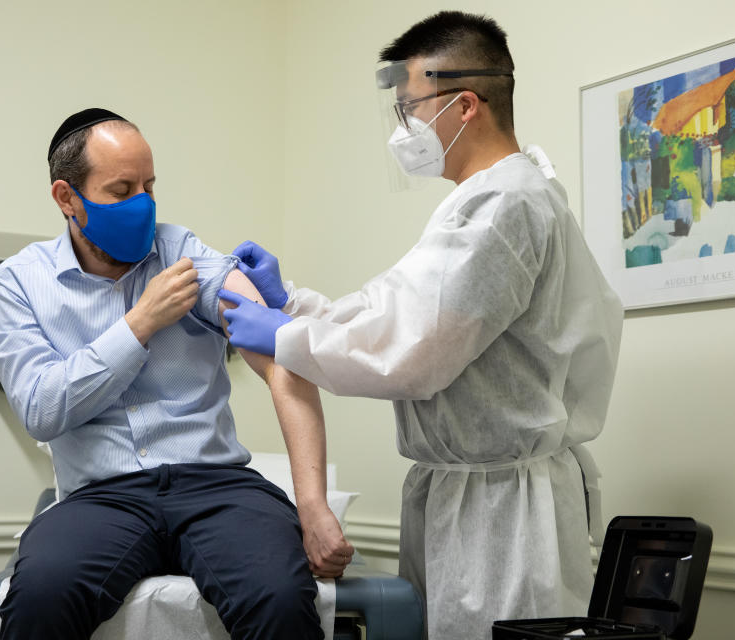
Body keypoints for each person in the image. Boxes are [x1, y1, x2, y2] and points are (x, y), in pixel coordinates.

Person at [217, 12, 624, 640]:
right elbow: (395, 313)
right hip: (466, 495)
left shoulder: (505, 205)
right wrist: (291, 304)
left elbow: (415, 353)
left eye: (410, 108)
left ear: (464, 106)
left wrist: (285, 337)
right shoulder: (480, 202)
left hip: (502, 511)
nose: (403, 127)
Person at [0, 108, 353, 640]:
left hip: (217, 488)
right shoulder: (17, 284)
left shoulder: (184, 255)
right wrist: (140, 324)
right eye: (121, 189)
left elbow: (282, 363)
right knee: (39, 597)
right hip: (100, 498)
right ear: (67, 199)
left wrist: (312, 505)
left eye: (150, 186)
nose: (143, 204)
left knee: (280, 598)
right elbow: (42, 410)